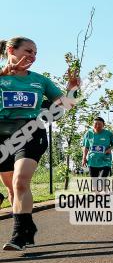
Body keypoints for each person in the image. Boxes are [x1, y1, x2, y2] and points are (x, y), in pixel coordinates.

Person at [0, 36, 78, 250]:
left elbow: (66, 105)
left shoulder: (40, 81)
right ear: (11, 50)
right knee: (10, 188)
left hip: (30, 131)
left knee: (20, 182)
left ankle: (19, 235)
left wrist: (71, 90)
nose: (33, 56)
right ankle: (28, 227)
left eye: (35, 53)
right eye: (28, 51)